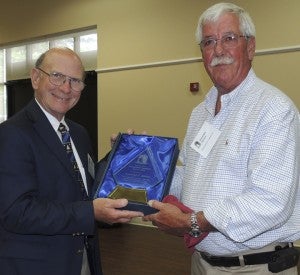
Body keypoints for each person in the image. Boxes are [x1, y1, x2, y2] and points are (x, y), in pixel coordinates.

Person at [144, 3, 300, 275]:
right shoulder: (200, 113)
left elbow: (271, 201)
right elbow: (186, 174)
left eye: (229, 38)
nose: (218, 51)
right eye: (208, 42)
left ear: (250, 47)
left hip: (255, 266)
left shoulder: (273, 109)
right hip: (202, 263)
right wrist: (147, 162)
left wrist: (193, 222)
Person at [0, 47, 143, 275]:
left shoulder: (78, 133)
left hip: (82, 259)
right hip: (37, 265)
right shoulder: (12, 134)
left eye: (75, 81)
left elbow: (86, 185)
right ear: (36, 78)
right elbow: (17, 212)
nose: (66, 88)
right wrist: (90, 213)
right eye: (57, 76)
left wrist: (119, 156)